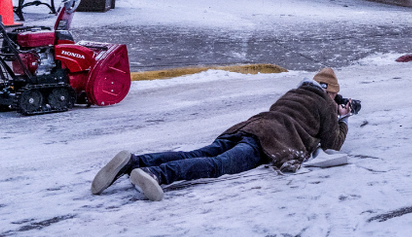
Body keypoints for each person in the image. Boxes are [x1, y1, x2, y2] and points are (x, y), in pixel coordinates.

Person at [90, 67, 356, 202]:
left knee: (198, 153)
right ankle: (158, 174)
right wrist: (342, 118)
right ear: (330, 92)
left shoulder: (292, 94)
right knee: (219, 165)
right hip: (268, 142)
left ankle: (135, 162)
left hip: (248, 127)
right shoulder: (324, 104)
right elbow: (333, 143)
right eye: (334, 95)